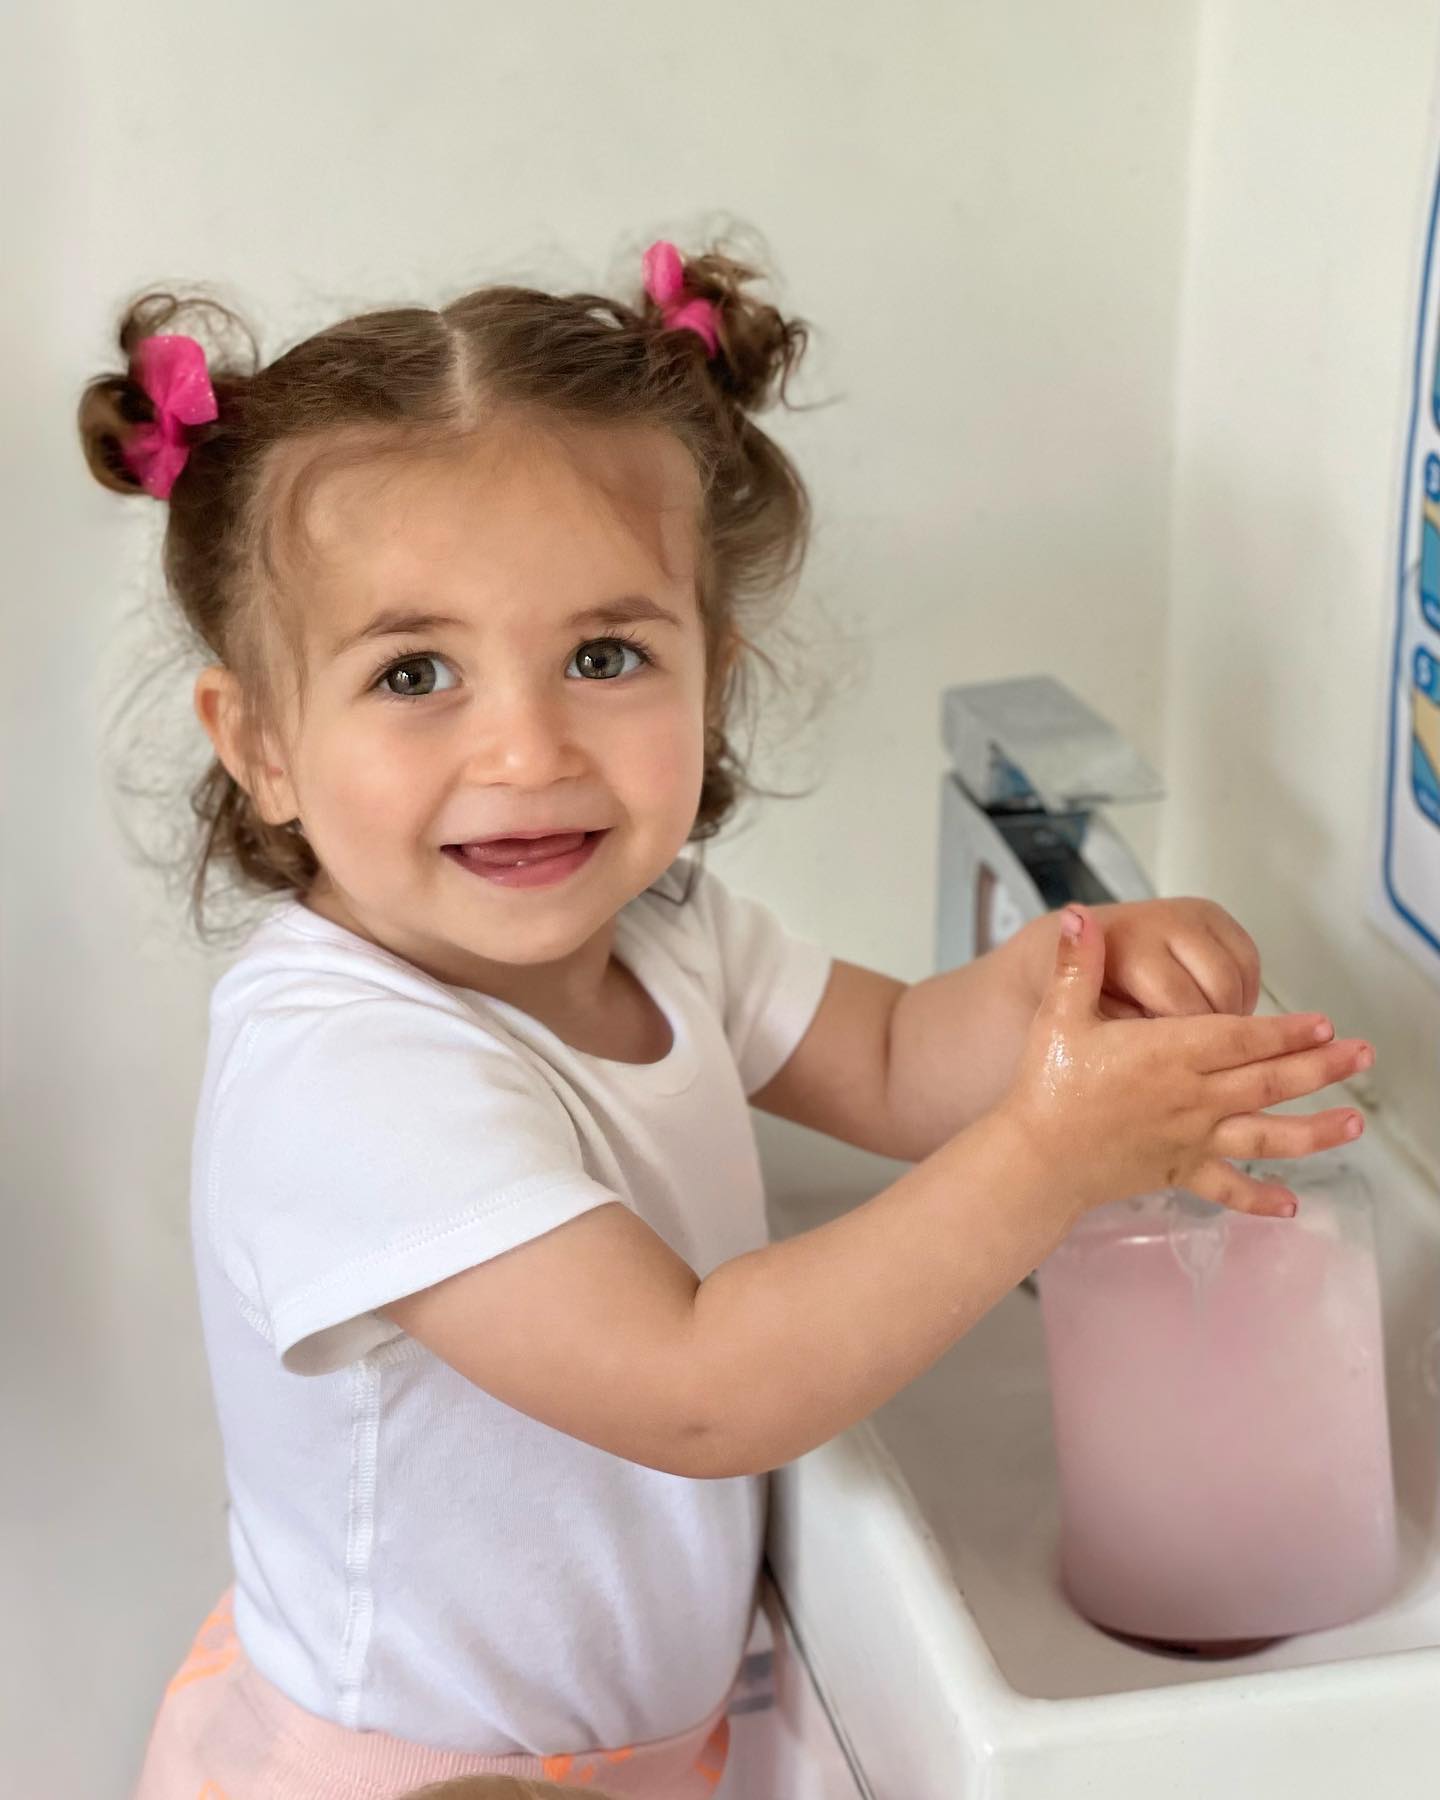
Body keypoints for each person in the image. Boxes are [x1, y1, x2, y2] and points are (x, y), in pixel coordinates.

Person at [78, 235, 1373, 1800]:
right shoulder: (344, 1070)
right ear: (261, 740)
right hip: (423, 1778)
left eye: (606, 656)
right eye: (416, 672)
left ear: (714, 678)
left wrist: (1084, 979)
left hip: (628, 1751)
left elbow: (899, 1060)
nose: (524, 748)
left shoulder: (668, 935)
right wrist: (1049, 1157)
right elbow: (699, 1389)